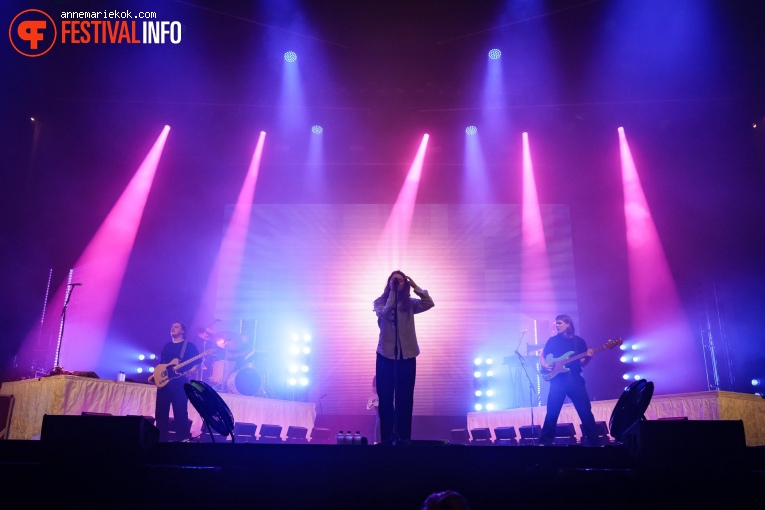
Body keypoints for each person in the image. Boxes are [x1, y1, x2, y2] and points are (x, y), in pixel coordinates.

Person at [373, 270, 434, 444]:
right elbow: (384, 314)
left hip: (407, 356)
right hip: (385, 355)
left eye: (400, 281)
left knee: (405, 398)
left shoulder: (410, 304)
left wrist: (415, 286)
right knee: (385, 398)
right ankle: (386, 439)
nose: (397, 283)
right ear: (389, 282)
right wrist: (392, 293)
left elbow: (429, 303)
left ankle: (404, 438)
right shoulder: (380, 302)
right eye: (394, 281)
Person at [538, 314, 601, 446]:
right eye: (556, 323)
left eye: (560, 323)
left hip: (574, 380)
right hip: (558, 382)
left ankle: (595, 443)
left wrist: (589, 357)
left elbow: (583, 363)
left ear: (568, 324)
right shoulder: (552, 340)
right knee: (552, 413)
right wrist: (543, 364)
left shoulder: (578, 342)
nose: (557, 325)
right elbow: (542, 355)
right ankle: (544, 444)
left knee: (585, 412)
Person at [148, 322, 202, 442]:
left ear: (183, 331)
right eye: (172, 327)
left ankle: (182, 439)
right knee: (161, 413)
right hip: (164, 384)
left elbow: (198, 362)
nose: (173, 328)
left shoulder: (189, 346)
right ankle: (160, 440)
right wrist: (155, 376)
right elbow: (162, 364)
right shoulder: (167, 346)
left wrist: (191, 371)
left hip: (179, 384)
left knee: (180, 412)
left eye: (176, 327)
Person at [366, 375, 381, 444]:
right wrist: (377, 397)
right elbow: (374, 389)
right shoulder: (377, 377)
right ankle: (377, 441)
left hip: (388, 401)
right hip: (379, 402)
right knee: (379, 420)